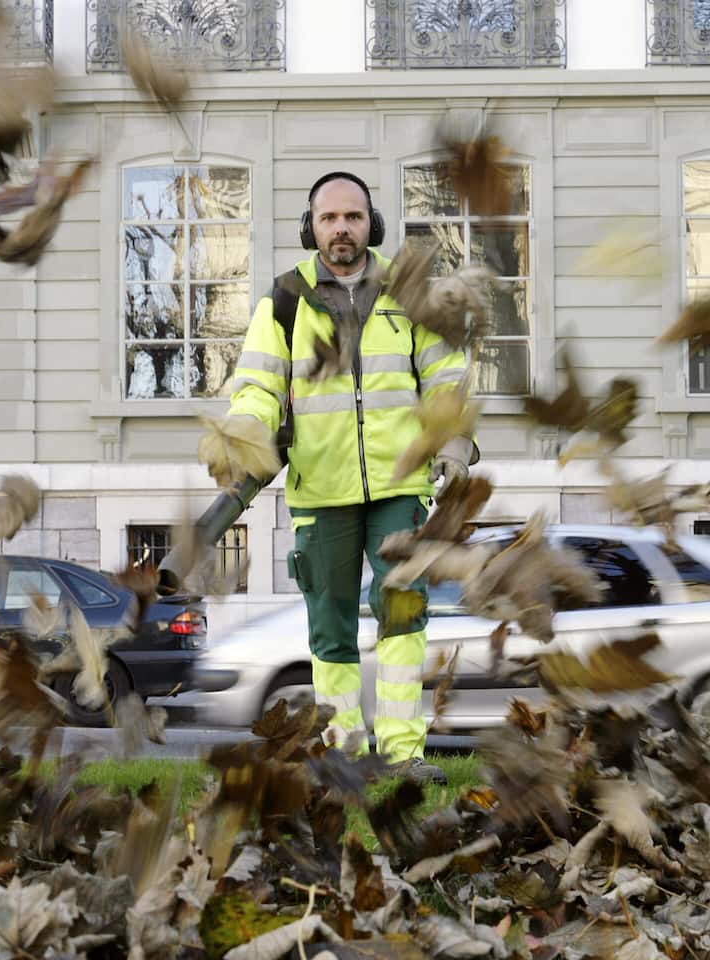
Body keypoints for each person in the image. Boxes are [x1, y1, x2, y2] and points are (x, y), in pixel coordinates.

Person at [224, 172, 475, 783]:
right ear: (310, 227)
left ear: (372, 225)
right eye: (330, 218)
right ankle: (345, 753)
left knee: (402, 615)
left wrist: (452, 440)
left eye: (353, 217)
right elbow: (257, 385)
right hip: (321, 488)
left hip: (400, 486)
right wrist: (246, 432)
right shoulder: (283, 302)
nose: (342, 228)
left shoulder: (409, 291)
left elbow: (444, 375)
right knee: (330, 629)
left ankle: (403, 753)